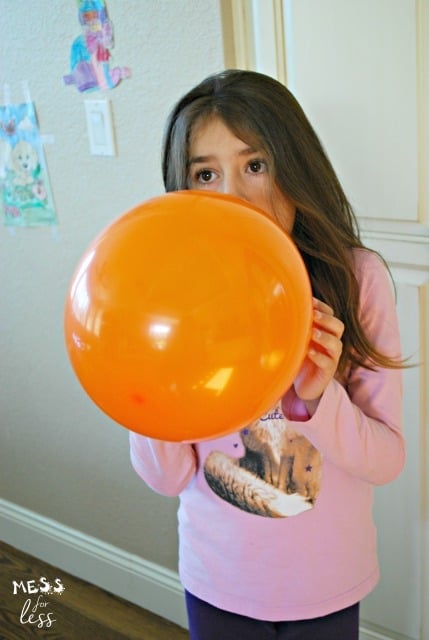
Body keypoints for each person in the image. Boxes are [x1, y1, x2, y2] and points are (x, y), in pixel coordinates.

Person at [129, 69, 405, 639]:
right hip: (219, 581)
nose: (233, 196)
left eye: (255, 165)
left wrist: (318, 396)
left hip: (329, 583)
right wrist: (149, 381)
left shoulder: (357, 279)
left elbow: (387, 459)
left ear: (294, 166)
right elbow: (165, 476)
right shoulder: (175, 297)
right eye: (206, 174)